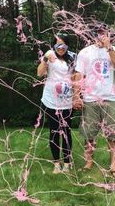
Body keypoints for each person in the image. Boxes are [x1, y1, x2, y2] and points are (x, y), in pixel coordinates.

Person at [73, 24, 115, 177]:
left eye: (104, 32)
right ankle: (89, 162)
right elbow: (78, 75)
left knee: (113, 133)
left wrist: (109, 48)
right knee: (89, 133)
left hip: (110, 98)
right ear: (93, 35)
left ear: (108, 34)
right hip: (90, 99)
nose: (101, 35)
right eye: (98, 33)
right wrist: (76, 96)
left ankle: (113, 165)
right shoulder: (85, 52)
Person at [37, 33, 76, 174]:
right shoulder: (49, 56)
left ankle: (67, 162)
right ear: (54, 45)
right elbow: (40, 74)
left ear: (67, 45)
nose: (61, 48)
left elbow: (76, 77)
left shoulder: (73, 57)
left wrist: (77, 96)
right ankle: (56, 163)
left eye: (64, 45)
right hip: (51, 101)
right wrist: (44, 59)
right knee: (54, 132)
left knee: (66, 132)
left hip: (67, 101)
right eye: (58, 45)